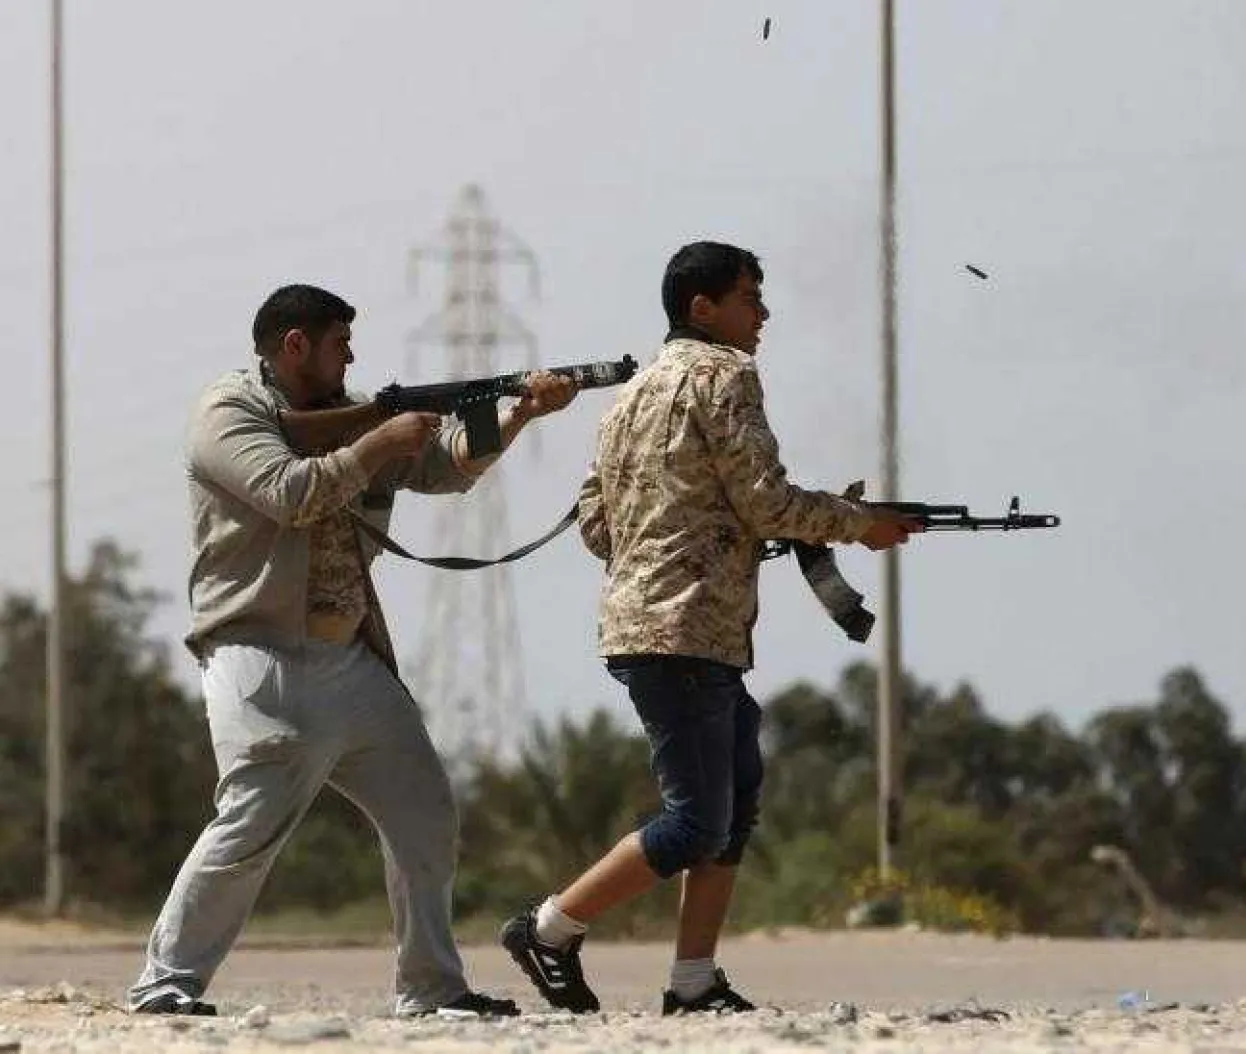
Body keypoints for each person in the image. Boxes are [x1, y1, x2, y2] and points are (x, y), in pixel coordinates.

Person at [128, 284, 577, 1018]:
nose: (352, 357)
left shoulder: (356, 413)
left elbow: (446, 468)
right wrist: (376, 443)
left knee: (424, 814)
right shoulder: (228, 412)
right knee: (250, 823)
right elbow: (289, 493)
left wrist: (517, 412)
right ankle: (165, 984)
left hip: (350, 655)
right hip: (259, 650)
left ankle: (431, 989)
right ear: (295, 345)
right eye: (340, 343)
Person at [500, 242, 920, 1014]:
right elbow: (766, 499)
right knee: (696, 822)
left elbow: (597, 524)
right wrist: (858, 523)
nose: (763, 314)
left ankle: (693, 981)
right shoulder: (725, 374)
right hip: (685, 629)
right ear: (703, 307)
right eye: (749, 297)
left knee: (735, 802)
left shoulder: (629, 395)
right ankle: (549, 928)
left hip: (660, 626)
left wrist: (703, 529)